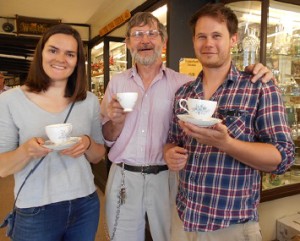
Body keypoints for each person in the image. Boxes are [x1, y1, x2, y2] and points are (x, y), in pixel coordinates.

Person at [100, 11, 275, 241]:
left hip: (168, 178)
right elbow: (106, 137)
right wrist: (115, 121)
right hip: (124, 175)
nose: (145, 40)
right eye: (137, 34)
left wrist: (260, 70)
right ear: (128, 42)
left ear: (164, 41)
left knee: (168, 236)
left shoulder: (183, 85)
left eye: (152, 33)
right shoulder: (117, 82)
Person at [164, 3, 295, 241]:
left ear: (233, 39)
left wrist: (227, 144)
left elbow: (282, 157)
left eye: (217, 35)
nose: (208, 43)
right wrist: (170, 152)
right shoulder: (184, 93)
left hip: (232, 227)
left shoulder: (259, 86)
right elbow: (172, 140)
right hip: (184, 219)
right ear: (193, 41)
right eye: (201, 36)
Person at [0, 24, 106, 241]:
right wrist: (26, 151)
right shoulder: (10, 101)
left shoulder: (89, 101)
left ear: (77, 61)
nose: (61, 59)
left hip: (85, 204)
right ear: (41, 53)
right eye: (53, 50)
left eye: (70, 54)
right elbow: (2, 167)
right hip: (34, 209)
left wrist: (86, 143)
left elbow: (98, 155)